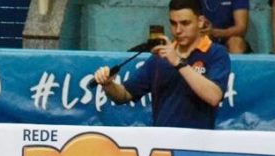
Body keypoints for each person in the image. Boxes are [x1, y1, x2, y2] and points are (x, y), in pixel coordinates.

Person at [93, 0, 231, 129]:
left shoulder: (216, 53)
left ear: (200, 22)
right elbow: (124, 95)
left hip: (199, 145)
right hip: (163, 144)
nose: (178, 30)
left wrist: (178, 62)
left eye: (185, 23)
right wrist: (108, 84)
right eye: (173, 23)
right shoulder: (159, 58)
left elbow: (214, 97)